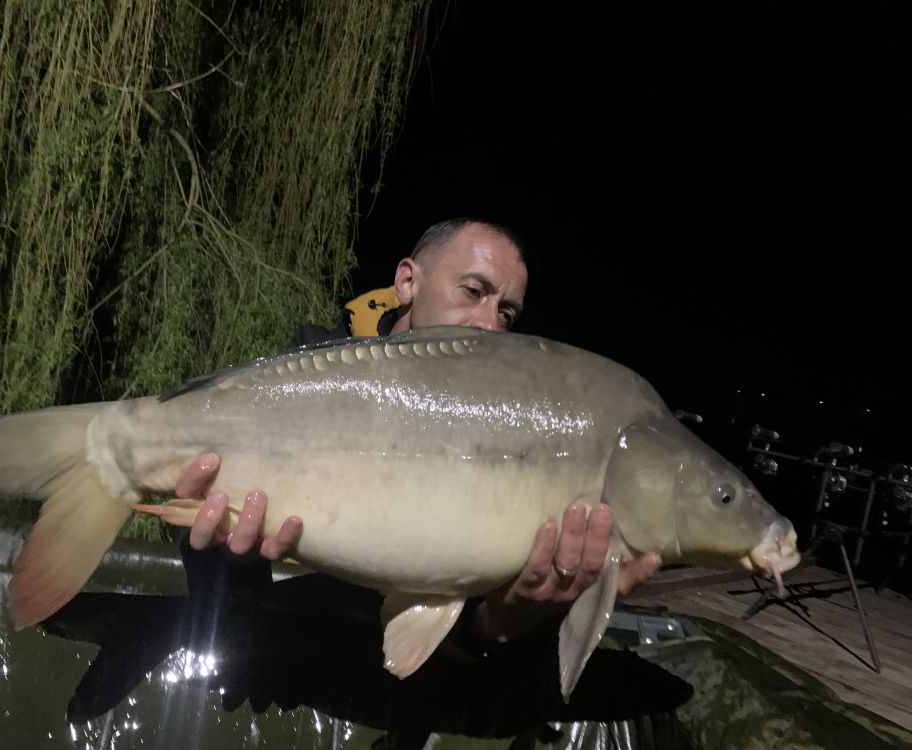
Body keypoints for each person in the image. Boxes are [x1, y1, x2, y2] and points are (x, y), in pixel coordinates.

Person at [174, 218, 661, 653]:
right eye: (473, 291)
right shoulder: (308, 368)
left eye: (507, 314)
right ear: (408, 281)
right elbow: (221, 590)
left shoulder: (503, 429)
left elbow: (472, 618)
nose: (489, 325)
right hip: (259, 654)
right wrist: (230, 557)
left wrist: (507, 619)